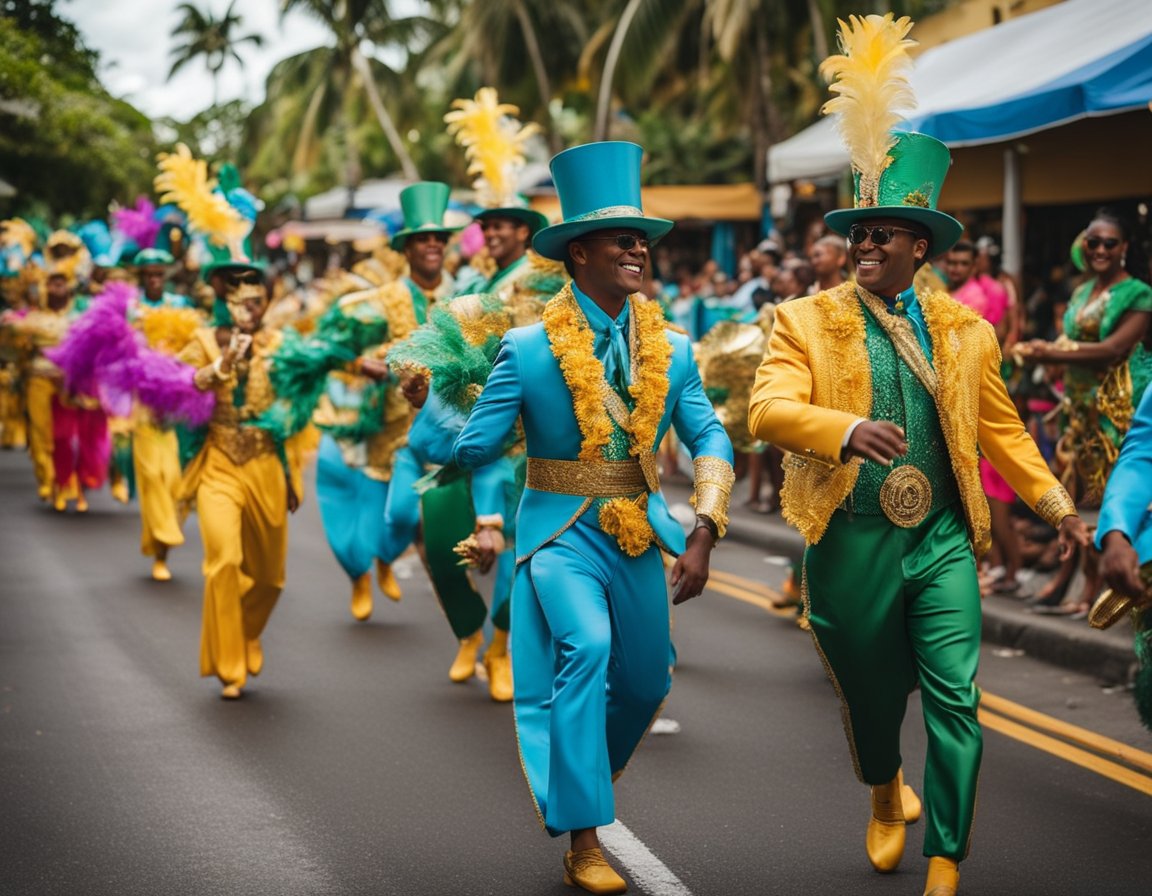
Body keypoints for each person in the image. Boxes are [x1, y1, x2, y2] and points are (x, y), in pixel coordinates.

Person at [748, 16, 1090, 896]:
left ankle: (946, 855)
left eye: (884, 233)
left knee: (956, 699)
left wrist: (1059, 510)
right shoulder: (804, 319)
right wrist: (842, 430)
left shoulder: (969, 331)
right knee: (868, 697)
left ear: (920, 247)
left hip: (939, 537)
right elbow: (767, 409)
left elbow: (1005, 433)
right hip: (851, 536)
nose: (864, 245)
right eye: (858, 233)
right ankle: (881, 786)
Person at [453, 140, 733, 894]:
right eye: (621, 239)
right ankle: (583, 837)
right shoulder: (524, 348)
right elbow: (474, 446)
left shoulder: (674, 351)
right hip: (557, 533)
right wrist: (447, 395)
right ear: (579, 252)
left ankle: (578, 776)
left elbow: (709, 436)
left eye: (643, 239)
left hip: (638, 533)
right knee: (587, 648)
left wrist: (705, 528)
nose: (638, 250)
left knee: (644, 683)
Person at [178, 260, 306, 699]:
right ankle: (229, 661)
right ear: (222, 297)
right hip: (219, 461)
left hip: (266, 463)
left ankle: (249, 630)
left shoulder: (281, 345)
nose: (249, 307)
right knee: (224, 561)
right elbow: (182, 386)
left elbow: (297, 403)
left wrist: (291, 471)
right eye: (238, 295)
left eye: (256, 298)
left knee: (270, 578)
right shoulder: (201, 341)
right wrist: (222, 364)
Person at [1014, 210, 1152, 614]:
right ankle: (1068, 577)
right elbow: (1069, 339)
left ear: (1124, 248)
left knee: (1109, 497)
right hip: (1078, 410)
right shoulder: (1082, 292)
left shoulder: (1139, 293)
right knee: (1072, 496)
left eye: (1110, 243)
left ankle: (1093, 587)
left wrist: (1051, 353)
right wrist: (1044, 352)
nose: (1100, 249)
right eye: (1093, 242)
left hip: (1116, 412)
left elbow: (1113, 349)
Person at [945, 240, 1023, 595]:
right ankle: (992, 564)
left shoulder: (976, 297)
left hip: (976, 401)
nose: (956, 268)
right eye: (952, 262)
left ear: (975, 265)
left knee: (991, 487)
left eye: (964, 263)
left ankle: (1006, 567)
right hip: (957, 402)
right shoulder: (947, 294)